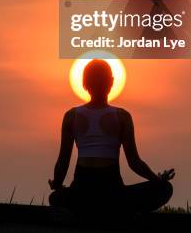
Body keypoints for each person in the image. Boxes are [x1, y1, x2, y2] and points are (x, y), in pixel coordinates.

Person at [48, 59, 174, 216]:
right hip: (113, 193)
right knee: (165, 189)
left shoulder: (71, 116)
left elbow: (63, 162)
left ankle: (91, 210)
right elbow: (134, 162)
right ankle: (119, 212)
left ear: (84, 83)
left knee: (56, 198)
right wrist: (157, 180)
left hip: (82, 192)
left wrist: (57, 184)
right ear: (112, 82)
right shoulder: (122, 117)